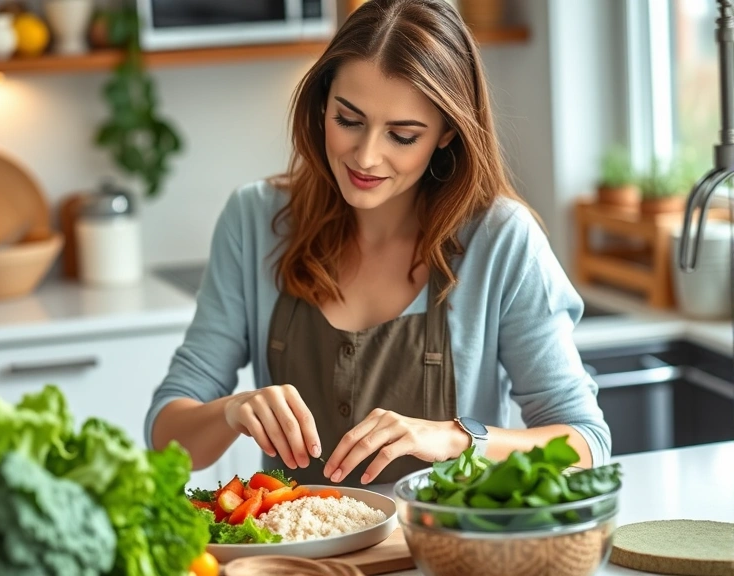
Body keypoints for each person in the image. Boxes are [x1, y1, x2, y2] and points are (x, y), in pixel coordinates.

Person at [144, 0, 611, 488]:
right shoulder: (255, 220)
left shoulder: (501, 239)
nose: (366, 157)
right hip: (297, 564)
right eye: (348, 120)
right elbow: (165, 435)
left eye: (403, 135)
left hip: (442, 558)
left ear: (447, 133)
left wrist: (456, 438)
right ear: (323, 102)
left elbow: (587, 444)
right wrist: (231, 410)